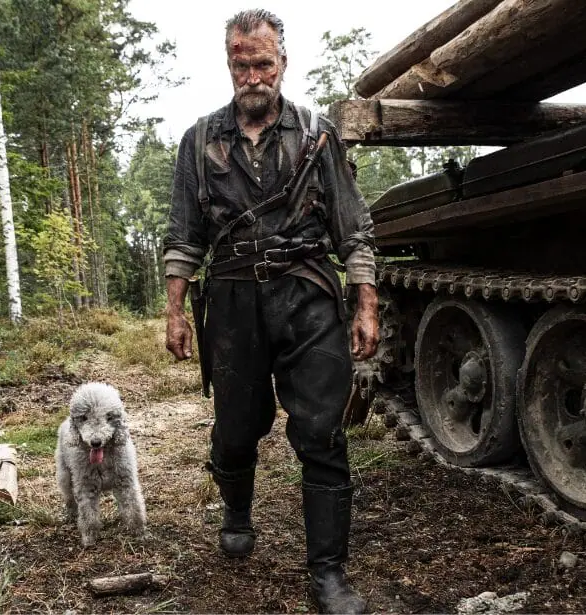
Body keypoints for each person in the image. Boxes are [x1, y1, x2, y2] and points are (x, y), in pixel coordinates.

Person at [162, 9, 379, 614]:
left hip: (308, 298)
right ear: (228, 64)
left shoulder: (317, 134)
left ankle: (329, 573)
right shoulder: (199, 141)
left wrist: (365, 304)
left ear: (282, 63)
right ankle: (236, 511)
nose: (253, 76)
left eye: (263, 64)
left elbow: (354, 231)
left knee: (321, 433)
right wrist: (176, 313)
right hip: (233, 303)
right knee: (235, 431)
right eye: (242, 65)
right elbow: (183, 236)